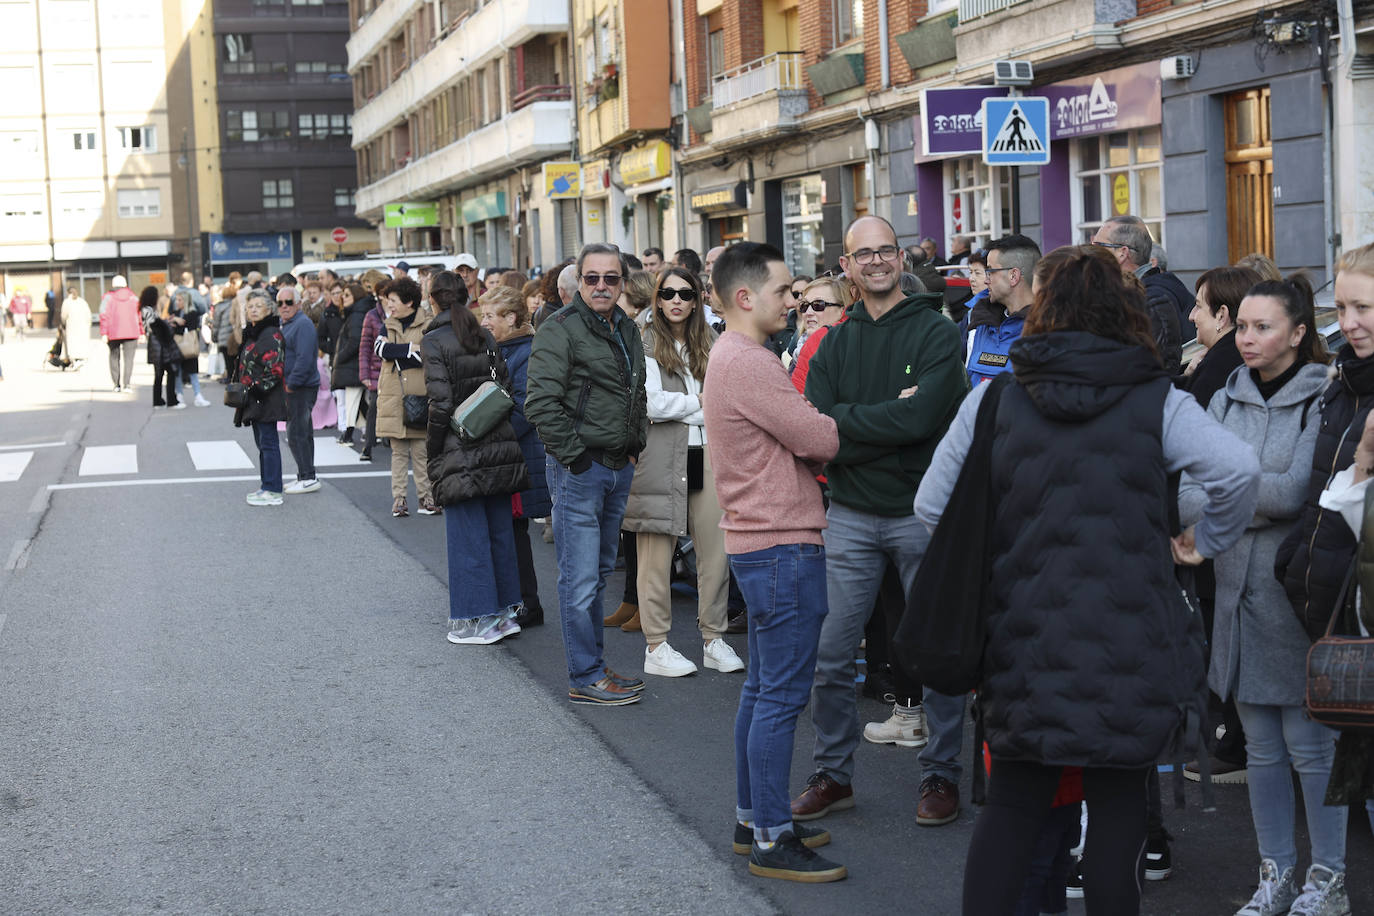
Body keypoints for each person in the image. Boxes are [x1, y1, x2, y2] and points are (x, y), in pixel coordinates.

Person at [916, 244, 1259, 915]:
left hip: (1019, 631)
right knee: (1118, 801)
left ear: (1043, 311)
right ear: (1129, 312)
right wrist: (1200, 543)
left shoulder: (994, 401)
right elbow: (1238, 472)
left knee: (1014, 804)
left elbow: (932, 506)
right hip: (1130, 633)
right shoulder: (1158, 400)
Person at [795, 215, 969, 827]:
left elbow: (924, 421)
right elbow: (815, 428)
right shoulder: (834, 341)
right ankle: (833, 774)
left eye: (885, 251)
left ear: (902, 259)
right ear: (846, 267)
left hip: (923, 512)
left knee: (937, 652)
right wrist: (878, 424)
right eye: (861, 254)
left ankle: (942, 775)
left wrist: (850, 424)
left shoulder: (936, 333)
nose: (875, 262)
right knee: (833, 654)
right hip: (848, 514)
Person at [1178, 275, 1342, 916]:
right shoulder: (1224, 396)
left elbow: (1297, 491)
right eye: (1241, 326)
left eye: (1262, 326)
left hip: (1292, 595)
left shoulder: (1320, 398)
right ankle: (1275, 875)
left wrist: (1225, 501)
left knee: (1311, 747)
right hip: (1234, 598)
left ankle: (1328, 880)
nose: (1246, 338)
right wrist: (1241, 499)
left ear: (1299, 334)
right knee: (1264, 751)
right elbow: (1190, 491)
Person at [703, 241, 843, 882]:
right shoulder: (750, 361)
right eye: (785, 291)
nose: (794, 300)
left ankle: (753, 816)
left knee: (763, 691)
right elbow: (820, 436)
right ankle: (769, 835)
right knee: (781, 697)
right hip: (782, 542)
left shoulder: (731, 355)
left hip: (762, 542)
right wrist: (822, 431)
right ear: (744, 297)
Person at [1275, 242, 1374, 911]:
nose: (1352, 320)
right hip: (1344, 610)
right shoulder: (1345, 383)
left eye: (1364, 305)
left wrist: (1360, 477)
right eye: (1343, 306)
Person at [526, 243, 649, 706]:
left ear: (622, 283)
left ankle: (594, 666)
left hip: (617, 467)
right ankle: (585, 675)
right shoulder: (560, 327)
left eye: (610, 278)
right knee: (579, 580)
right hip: (580, 469)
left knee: (597, 576)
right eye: (592, 278)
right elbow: (540, 403)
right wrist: (576, 459)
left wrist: (634, 445)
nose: (601, 286)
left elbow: (634, 392)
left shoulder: (624, 327)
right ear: (579, 282)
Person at [621, 266, 742, 678]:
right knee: (654, 554)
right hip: (660, 456)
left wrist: (700, 403)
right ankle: (656, 645)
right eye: (668, 293)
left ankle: (714, 637)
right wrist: (705, 403)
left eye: (685, 293)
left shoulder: (713, 340)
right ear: (657, 298)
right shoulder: (645, 341)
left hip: (710, 455)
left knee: (716, 552)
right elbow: (651, 404)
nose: (676, 300)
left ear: (697, 299)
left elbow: (728, 399)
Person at [423, 271, 530, 643]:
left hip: (460, 444)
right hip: (498, 439)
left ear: (433, 300)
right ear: (468, 296)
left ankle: (481, 619)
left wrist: (434, 449)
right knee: (498, 531)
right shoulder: (483, 335)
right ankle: (505, 613)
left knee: (467, 535)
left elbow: (439, 405)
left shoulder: (433, 340)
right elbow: (506, 388)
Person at [477, 285, 549, 629]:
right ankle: (516, 600)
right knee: (507, 530)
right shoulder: (498, 349)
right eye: (483, 315)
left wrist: (487, 431)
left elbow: (525, 409)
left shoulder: (528, 352)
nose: (484, 321)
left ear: (512, 317)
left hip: (517, 455)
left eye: (491, 315)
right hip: (506, 453)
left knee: (514, 532)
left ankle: (526, 604)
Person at [375, 277, 437, 517]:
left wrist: (398, 352)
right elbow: (380, 350)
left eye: (392, 300)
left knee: (421, 451)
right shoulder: (387, 323)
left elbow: (427, 354)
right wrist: (409, 349)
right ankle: (399, 499)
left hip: (418, 395)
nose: (388, 305)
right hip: (392, 396)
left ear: (409, 302)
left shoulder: (427, 322)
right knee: (398, 452)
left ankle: (426, 497)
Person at [1091, 215, 1187, 368]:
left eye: (1097, 246)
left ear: (1122, 253)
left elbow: (1155, 368)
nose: (1091, 253)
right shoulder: (1145, 291)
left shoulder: (1152, 298)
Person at [961, 234, 1040, 386]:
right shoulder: (978, 324)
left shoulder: (1046, 330)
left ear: (1013, 276)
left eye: (990, 271)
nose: (986, 280)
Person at [233, 290, 288, 507]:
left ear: (268, 309)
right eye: (250, 306)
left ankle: (273, 489)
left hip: (266, 397)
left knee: (268, 443)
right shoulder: (253, 333)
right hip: (254, 397)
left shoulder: (272, 334)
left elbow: (275, 369)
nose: (253, 309)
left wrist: (255, 388)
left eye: (258, 306)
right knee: (262, 443)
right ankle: (267, 485)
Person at [786, 276, 851, 384]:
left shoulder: (848, 349)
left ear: (842, 309)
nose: (808, 313)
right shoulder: (796, 347)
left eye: (818, 305)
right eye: (804, 305)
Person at [331, 283, 369, 447]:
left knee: (353, 400)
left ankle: (349, 433)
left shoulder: (356, 315)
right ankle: (371, 432)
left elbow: (355, 341)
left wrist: (340, 357)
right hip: (354, 365)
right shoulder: (356, 313)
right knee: (359, 402)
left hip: (353, 365)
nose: (342, 298)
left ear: (356, 296)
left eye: (346, 295)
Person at [99, 276, 142, 392]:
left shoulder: (108, 298)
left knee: (114, 357)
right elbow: (139, 316)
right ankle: (127, 384)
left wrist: (104, 333)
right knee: (129, 359)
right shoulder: (133, 297)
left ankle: (116, 384)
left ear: (113, 285)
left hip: (113, 332)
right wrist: (142, 332)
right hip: (131, 332)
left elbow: (103, 315)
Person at [170, 290, 210, 407]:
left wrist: (177, 322)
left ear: (186, 300)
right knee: (178, 372)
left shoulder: (193, 313)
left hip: (189, 346)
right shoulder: (175, 313)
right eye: (176, 300)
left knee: (193, 372)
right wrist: (176, 320)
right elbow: (174, 326)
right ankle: (179, 395)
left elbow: (188, 326)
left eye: (180, 300)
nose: (177, 302)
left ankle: (198, 395)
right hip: (177, 347)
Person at [60, 287, 91, 366]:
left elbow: (64, 316)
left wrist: (63, 324)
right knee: (81, 342)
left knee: (72, 343)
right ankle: (81, 358)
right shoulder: (82, 301)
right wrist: (88, 324)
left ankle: (73, 360)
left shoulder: (67, 302)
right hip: (83, 326)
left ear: (68, 293)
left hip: (72, 326)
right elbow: (88, 315)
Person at [316, 283, 344, 367]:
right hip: (335, 359)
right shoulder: (327, 314)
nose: (336, 296)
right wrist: (332, 347)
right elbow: (320, 338)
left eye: (338, 293)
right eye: (333, 294)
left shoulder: (351, 312)